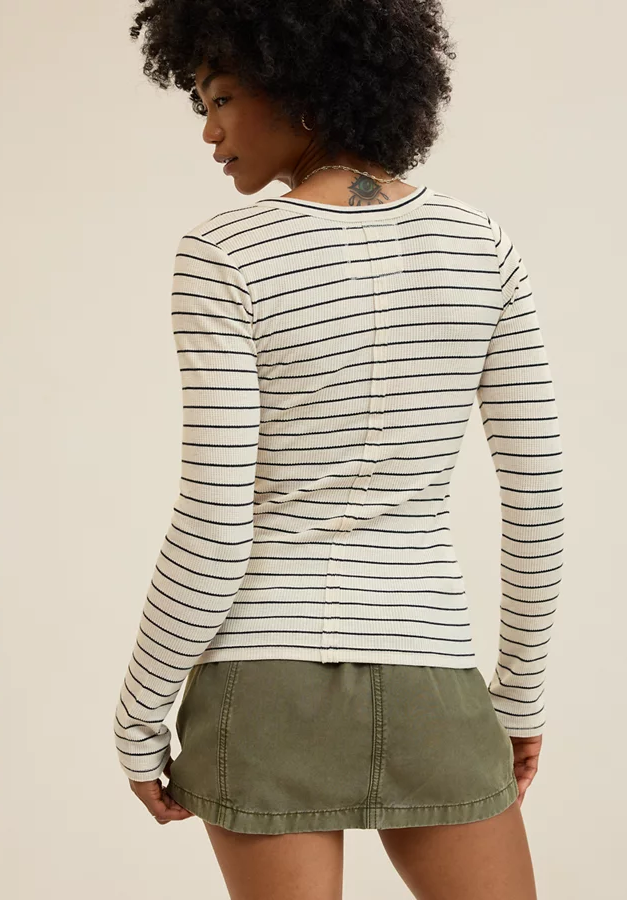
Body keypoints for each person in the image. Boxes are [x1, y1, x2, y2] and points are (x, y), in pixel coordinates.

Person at [114, 2, 564, 898]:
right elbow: (537, 503)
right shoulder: (481, 246)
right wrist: (517, 698)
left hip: (260, 683)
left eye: (222, 98)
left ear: (301, 86)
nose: (208, 132)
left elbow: (213, 524)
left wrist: (139, 714)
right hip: (434, 674)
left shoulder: (222, 253)